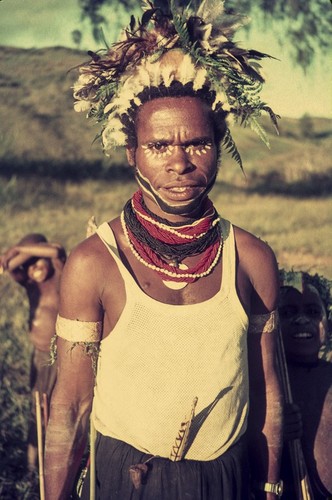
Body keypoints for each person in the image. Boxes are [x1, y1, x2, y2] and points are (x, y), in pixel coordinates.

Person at [44, 2, 284, 499]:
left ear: (218, 145)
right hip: (125, 478)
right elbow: (69, 406)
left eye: (197, 143)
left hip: (227, 479)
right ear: (132, 151)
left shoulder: (251, 259)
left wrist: (273, 485)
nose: (180, 163)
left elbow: (268, 399)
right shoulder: (94, 263)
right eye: (158, 147)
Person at [0, 233, 66, 472]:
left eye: (38, 260)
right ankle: (32, 465)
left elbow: (56, 251)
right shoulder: (31, 284)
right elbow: (8, 265)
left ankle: (51, 461)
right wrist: (16, 254)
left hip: (56, 353)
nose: (35, 268)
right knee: (37, 405)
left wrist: (20, 247)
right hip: (39, 354)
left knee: (52, 406)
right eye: (29, 265)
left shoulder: (58, 275)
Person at [279, 271, 332, 499]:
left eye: (312, 312)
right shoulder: (265, 383)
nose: (302, 320)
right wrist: (273, 428)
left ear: (327, 322)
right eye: (288, 313)